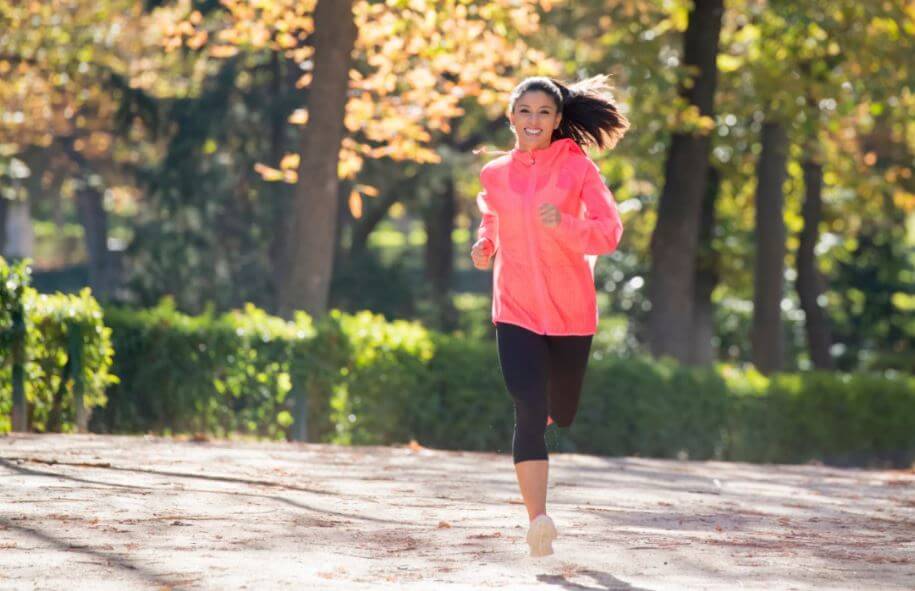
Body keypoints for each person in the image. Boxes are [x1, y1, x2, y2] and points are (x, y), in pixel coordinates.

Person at [471, 75, 629, 557]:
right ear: (510, 117)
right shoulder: (495, 174)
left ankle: (555, 418)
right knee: (528, 408)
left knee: (561, 410)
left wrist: (566, 224)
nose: (533, 121)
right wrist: (486, 243)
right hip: (514, 308)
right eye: (524, 111)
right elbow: (493, 216)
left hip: (570, 313)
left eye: (543, 112)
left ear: (558, 120)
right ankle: (537, 519)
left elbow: (609, 232)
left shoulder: (578, 168)